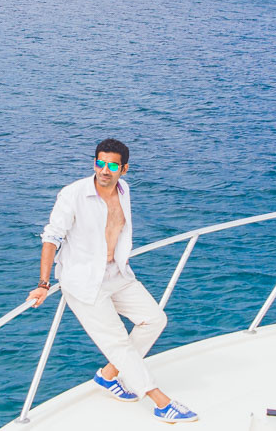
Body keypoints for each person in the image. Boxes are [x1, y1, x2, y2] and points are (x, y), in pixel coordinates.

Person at [26, 138, 199, 424]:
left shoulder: (124, 189)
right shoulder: (73, 195)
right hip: (83, 282)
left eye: (112, 165)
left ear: (124, 169)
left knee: (154, 319)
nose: (104, 170)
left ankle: (108, 375)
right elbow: (51, 237)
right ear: (94, 163)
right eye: (99, 163)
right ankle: (160, 401)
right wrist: (44, 283)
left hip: (117, 273)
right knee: (118, 342)